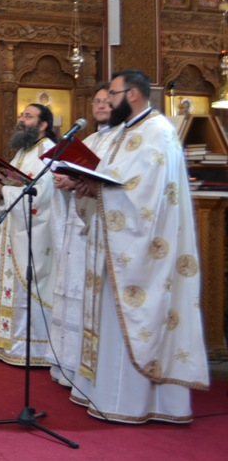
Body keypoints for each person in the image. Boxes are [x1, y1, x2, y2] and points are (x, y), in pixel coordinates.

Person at [65, 70, 208, 422]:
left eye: (112, 94)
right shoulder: (123, 132)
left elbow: (146, 194)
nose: (107, 101)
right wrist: (87, 185)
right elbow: (113, 181)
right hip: (113, 243)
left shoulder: (158, 132)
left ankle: (132, 402)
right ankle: (103, 392)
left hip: (143, 249)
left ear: (132, 94)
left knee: (134, 319)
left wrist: (98, 188)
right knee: (107, 320)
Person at [0, 103, 57, 366]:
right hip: (12, 231)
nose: (21, 119)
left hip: (31, 235)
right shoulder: (23, 152)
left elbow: (42, 197)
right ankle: (1, 342)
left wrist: (3, 191)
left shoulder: (48, 152)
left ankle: (26, 347)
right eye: (21, 115)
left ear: (43, 124)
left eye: (28, 116)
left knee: (27, 289)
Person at [47, 84, 112, 387]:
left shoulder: (121, 141)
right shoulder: (91, 140)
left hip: (98, 226)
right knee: (71, 288)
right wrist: (66, 180)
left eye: (107, 100)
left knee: (85, 293)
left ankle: (82, 367)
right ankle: (66, 361)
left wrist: (79, 182)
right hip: (78, 219)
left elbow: (113, 183)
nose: (100, 105)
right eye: (97, 101)